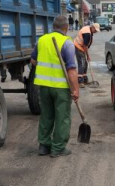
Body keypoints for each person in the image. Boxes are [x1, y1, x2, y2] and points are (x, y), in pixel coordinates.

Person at [31, 15, 79, 157]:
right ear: (66, 28)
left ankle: (44, 146)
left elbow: (33, 61)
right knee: (62, 117)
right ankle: (58, 148)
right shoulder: (67, 43)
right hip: (61, 87)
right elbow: (71, 70)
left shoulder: (42, 40)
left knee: (46, 115)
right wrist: (75, 89)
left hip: (44, 86)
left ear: (53, 27)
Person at [74, 22, 100, 87]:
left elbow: (86, 46)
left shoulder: (89, 30)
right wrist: (88, 56)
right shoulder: (87, 33)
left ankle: (85, 79)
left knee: (85, 63)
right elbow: (85, 46)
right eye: (95, 30)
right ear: (93, 27)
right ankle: (80, 81)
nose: (96, 31)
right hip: (78, 47)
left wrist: (86, 55)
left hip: (81, 47)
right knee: (82, 63)